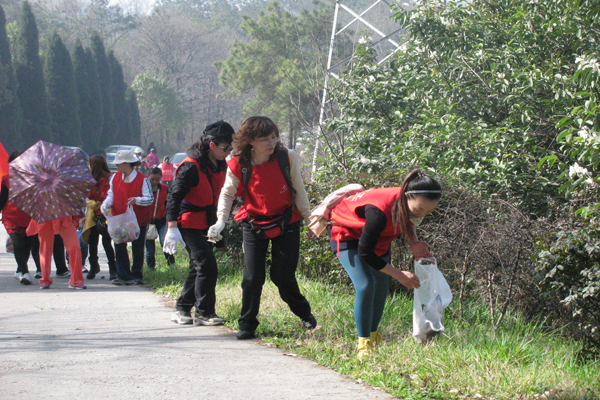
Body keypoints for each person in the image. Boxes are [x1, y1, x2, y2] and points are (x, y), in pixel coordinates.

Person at [208, 116, 317, 340]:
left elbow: (299, 190)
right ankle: (247, 324)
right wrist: (220, 221)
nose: (271, 143)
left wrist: (309, 220)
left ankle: (305, 315)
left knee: (282, 276)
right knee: (252, 277)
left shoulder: (287, 157)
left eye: (274, 137)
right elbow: (227, 195)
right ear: (250, 141)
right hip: (253, 223)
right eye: (265, 139)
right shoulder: (237, 163)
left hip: (287, 221)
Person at [327, 169, 441, 359]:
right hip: (346, 233)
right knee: (366, 285)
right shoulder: (379, 211)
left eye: (429, 211)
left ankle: (374, 336)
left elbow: (409, 219)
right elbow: (365, 252)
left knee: (381, 286)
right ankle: (363, 343)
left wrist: (414, 243)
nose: (422, 214)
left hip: (377, 238)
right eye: (420, 209)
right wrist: (399, 274)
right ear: (407, 196)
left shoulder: (411, 202)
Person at [164, 121, 234, 326]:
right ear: (212, 144)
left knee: (198, 266)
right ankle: (204, 312)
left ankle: (182, 308)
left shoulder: (220, 164)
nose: (228, 152)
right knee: (207, 264)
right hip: (188, 223)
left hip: (210, 223)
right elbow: (173, 197)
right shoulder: (190, 166)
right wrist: (171, 228)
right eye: (225, 148)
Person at [101, 150, 153, 285]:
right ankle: (123, 275)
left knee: (138, 248)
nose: (116, 166)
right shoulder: (115, 177)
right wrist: (106, 204)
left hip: (138, 220)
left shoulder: (143, 179)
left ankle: (137, 275)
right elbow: (111, 195)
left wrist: (137, 200)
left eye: (118, 163)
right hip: (118, 218)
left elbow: (149, 199)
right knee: (119, 246)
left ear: (127, 163)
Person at [1, 151, 39, 285]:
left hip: (29, 217)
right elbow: (2, 199)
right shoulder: (6, 179)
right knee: (18, 244)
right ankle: (25, 272)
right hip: (11, 217)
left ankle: (20, 270)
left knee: (26, 245)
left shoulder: (34, 179)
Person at [84, 155, 117, 280]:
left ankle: (109, 268)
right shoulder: (93, 179)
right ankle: (98, 267)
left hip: (104, 214)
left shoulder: (107, 180)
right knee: (97, 242)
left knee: (102, 242)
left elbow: (94, 196)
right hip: (96, 214)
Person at [145, 167, 174, 269]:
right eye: (152, 179)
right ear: (147, 177)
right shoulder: (143, 189)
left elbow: (169, 204)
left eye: (157, 179)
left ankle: (171, 263)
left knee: (164, 241)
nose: (154, 182)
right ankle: (151, 268)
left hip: (161, 220)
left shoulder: (165, 189)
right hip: (147, 222)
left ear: (161, 178)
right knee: (150, 248)